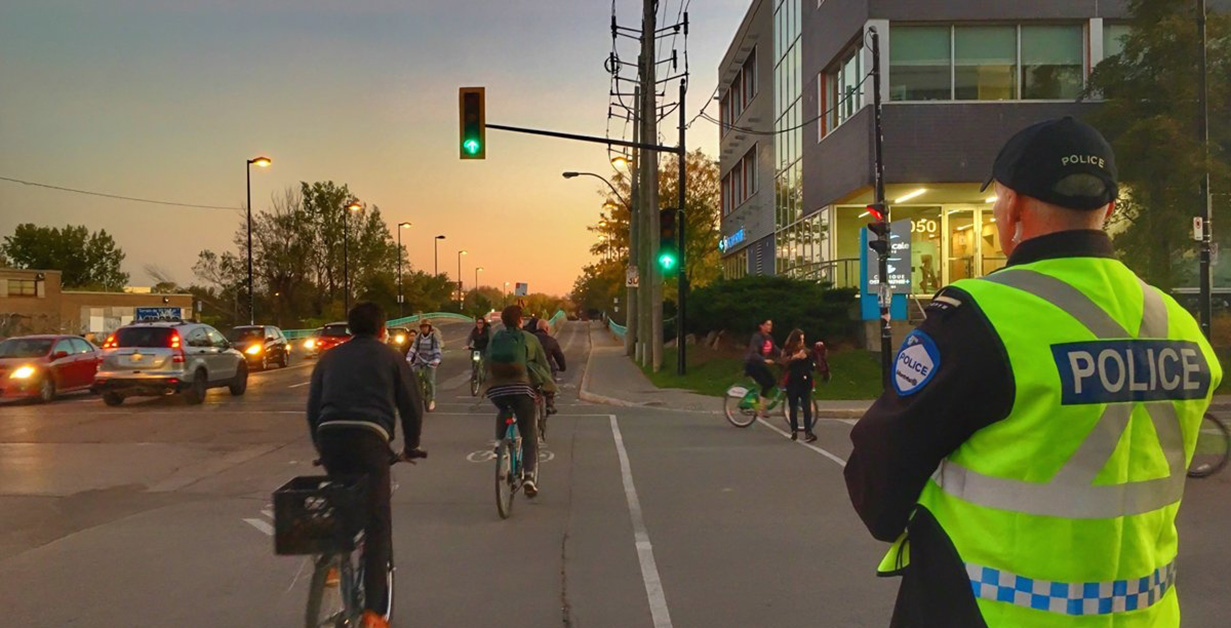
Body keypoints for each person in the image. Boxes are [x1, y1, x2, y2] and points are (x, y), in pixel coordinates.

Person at [844, 117, 1221, 626]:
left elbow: (880, 470)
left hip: (992, 612)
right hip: (1146, 614)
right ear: (1106, 209)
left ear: (1013, 206)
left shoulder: (978, 317)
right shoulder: (1178, 324)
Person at [306, 302, 425, 628]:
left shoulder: (329, 358)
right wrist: (411, 445)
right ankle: (374, 612)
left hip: (330, 436)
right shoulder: (391, 357)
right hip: (370, 440)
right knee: (376, 525)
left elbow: (313, 407)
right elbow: (412, 405)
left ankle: (331, 563)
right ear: (382, 329)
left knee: (340, 497)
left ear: (349, 328)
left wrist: (321, 447)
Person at [484, 305, 554, 497]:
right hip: (522, 390)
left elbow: (486, 360)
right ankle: (529, 476)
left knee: (504, 410)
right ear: (519, 320)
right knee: (529, 434)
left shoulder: (496, 338)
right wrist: (546, 387)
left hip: (496, 390)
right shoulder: (529, 338)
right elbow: (543, 365)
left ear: (503, 321)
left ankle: (499, 443)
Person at [779, 329, 816, 443]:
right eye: (800, 339)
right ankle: (794, 430)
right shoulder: (788, 350)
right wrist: (796, 357)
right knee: (793, 406)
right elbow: (783, 363)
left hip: (805, 381)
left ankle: (808, 432)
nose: (802, 341)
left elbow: (812, 366)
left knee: (806, 407)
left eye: (803, 339)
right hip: (792, 381)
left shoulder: (806, 351)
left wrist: (808, 358)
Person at [743, 319, 779, 414]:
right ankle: (760, 408)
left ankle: (761, 406)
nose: (769, 327)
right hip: (752, 364)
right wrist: (764, 360)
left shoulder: (769, 338)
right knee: (766, 383)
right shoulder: (757, 337)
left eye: (770, 325)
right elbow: (753, 353)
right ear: (761, 326)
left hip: (760, 365)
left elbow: (775, 350)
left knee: (772, 382)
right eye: (767, 324)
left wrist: (787, 355)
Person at [532, 318, 567, 415]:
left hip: (532, 370)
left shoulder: (531, 339)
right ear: (547, 328)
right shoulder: (551, 341)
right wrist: (562, 367)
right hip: (547, 371)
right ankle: (549, 404)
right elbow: (559, 357)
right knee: (551, 380)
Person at [409, 319, 442, 411]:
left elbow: (437, 350)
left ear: (429, 328)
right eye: (422, 327)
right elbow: (413, 348)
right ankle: (420, 396)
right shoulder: (418, 337)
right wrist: (408, 358)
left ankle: (432, 400)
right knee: (416, 375)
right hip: (420, 361)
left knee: (430, 381)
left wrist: (436, 360)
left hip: (431, 361)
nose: (424, 329)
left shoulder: (433, 337)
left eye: (426, 327)